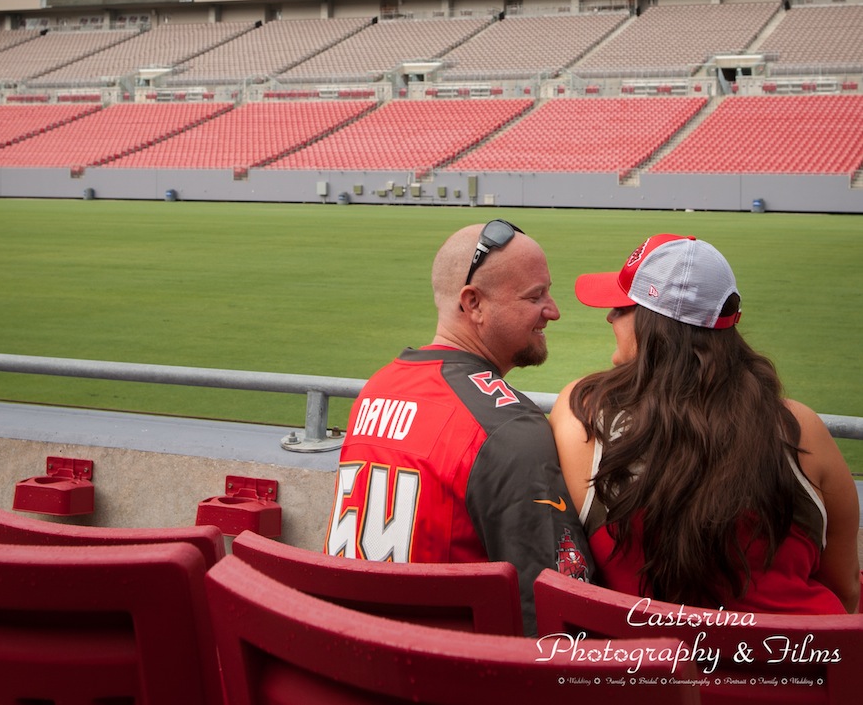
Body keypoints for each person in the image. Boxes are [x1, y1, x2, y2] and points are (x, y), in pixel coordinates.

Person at [550, 232, 860, 614]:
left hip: (651, 668)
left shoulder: (581, 411)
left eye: (624, 307)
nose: (610, 316)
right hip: (798, 663)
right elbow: (845, 590)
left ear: (651, 325)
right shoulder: (801, 429)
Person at [325, 219, 594, 635]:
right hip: (442, 670)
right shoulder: (507, 427)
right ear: (473, 303)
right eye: (535, 296)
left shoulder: (377, 388)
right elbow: (557, 619)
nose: (553, 311)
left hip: (359, 651)